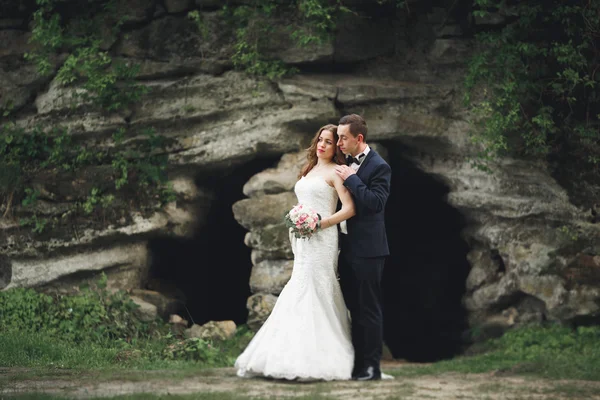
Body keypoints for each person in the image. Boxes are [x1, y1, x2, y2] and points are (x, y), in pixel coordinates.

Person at [235, 124, 357, 381]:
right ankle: (285, 353)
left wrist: (319, 224)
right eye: (320, 140)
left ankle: (321, 356)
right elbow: (305, 202)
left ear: (337, 147)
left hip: (322, 238)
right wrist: (297, 219)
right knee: (299, 285)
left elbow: (348, 209)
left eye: (329, 142)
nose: (322, 145)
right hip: (303, 238)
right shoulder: (309, 169)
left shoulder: (337, 172)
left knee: (316, 286)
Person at [335, 114, 392, 381]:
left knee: (369, 309)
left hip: (369, 251)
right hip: (345, 250)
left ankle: (372, 367)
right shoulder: (342, 161)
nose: (338, 143)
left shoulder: (380, 166)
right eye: (337, 137)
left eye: (343, 138)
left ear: (359, 138)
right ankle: (355, 364)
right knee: (352, 309)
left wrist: (352, 179)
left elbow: (375, 203)